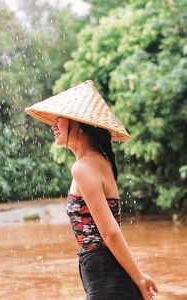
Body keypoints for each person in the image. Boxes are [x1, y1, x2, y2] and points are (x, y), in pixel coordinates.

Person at [25, 80, 158, 300]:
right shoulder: (98, 162)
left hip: (106, 280)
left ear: (78, 122)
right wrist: (137, 276)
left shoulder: (83, 168)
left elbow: (110, 232)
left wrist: (140, 278)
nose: (53, 125)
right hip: (107, 276)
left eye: (59, 118)